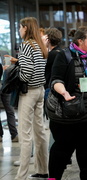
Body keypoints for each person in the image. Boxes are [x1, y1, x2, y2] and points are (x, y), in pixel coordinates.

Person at [46, 26, 87, 180]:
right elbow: (55, 80)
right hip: (68, 114)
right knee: (61, 150)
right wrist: (65, 92)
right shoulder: (64, 56)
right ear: (80, 41)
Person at [9, 17, 49, 179]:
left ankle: (21, 176)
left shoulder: (26, 46)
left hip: (29, 92)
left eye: (20, 27)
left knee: (25, 135)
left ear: (25, 28)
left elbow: (26, 73)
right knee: (39, 132)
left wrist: (13, 72)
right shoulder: (40, 45)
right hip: (40, 90)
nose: (19, 30)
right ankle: (43, 170)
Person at [43, 27, 62, 150]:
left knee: (53, 123)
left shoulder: (51, 55)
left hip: (50, 90)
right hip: (59, 89)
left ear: (48, 39)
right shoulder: (62, 52)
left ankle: (55, 150)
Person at [0, 51, 18, 143]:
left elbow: (13, 68)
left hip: (6, 85)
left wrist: (9, 68)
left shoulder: (4, 53)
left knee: (10, 111)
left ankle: (14, 135)